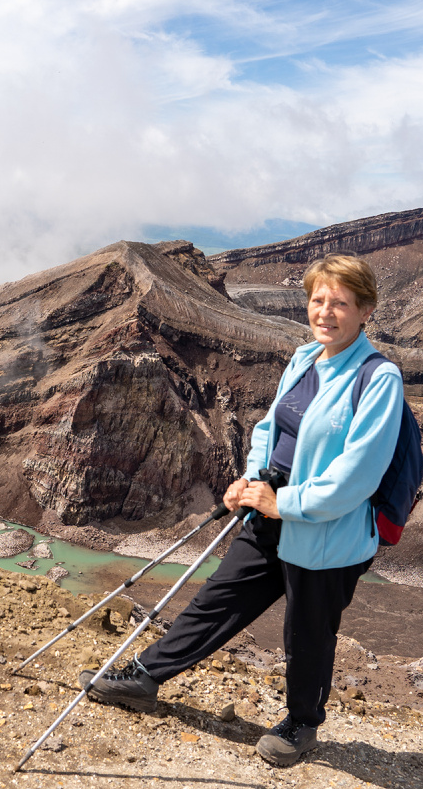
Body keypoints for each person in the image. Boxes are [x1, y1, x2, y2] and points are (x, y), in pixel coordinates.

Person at [79, 254, 404, 767]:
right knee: (217, 601)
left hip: (325, 535)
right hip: (269, 515)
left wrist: (285, 501)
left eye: (340, 303)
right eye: (318, 300)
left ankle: (301, 726)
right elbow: (268, 430)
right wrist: (252, 479)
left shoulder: (378, 378)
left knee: (307, 634)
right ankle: (144, 678)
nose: (325, 312)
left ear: (365, 310)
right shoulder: (304, 359)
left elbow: (358, 474)